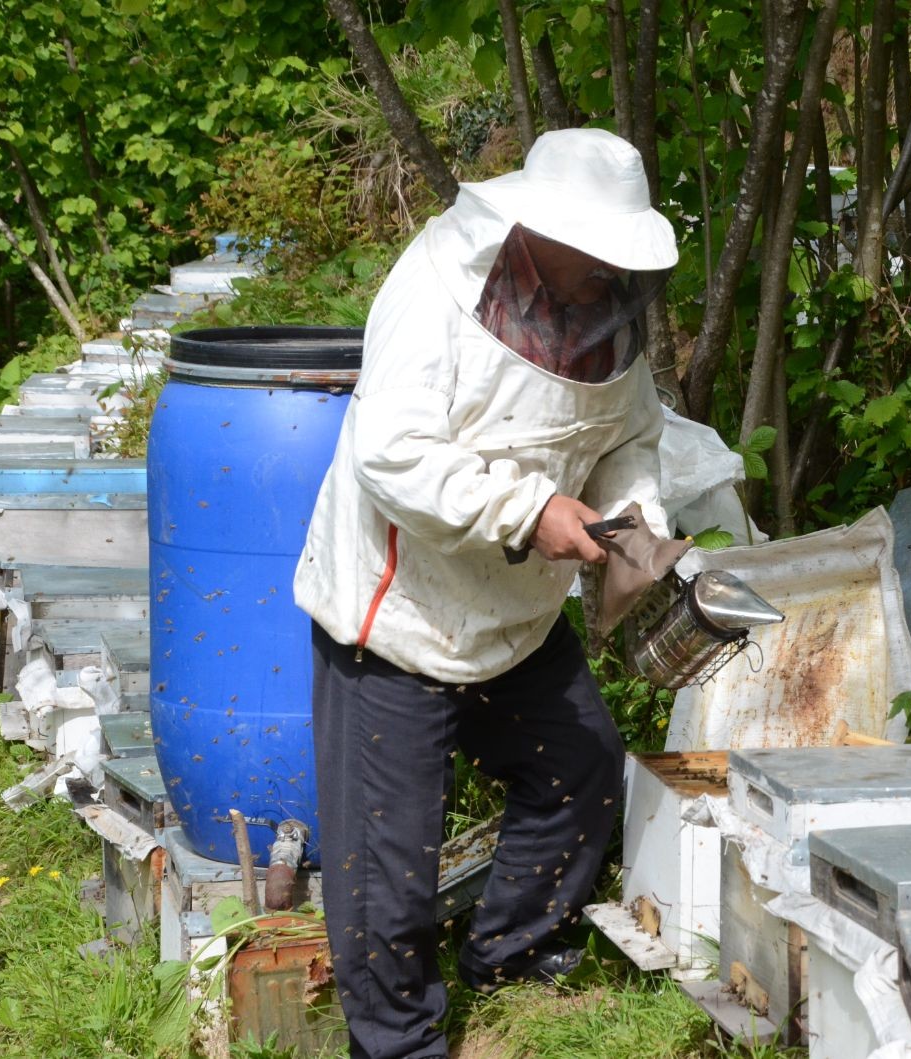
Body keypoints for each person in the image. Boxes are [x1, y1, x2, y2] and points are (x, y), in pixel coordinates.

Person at [293, 128, 678, 1059]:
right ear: (537, 226)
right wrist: (528, 508)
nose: (604, 272)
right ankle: (400, 1043)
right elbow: (392, 454)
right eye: (594, 251)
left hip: (519, 608)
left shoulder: (611, 311)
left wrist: (636, 518)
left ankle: (513, 949)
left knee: (582, 772)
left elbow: (631, 433)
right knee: (387, 872)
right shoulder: (434, 288)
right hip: (399, 617)